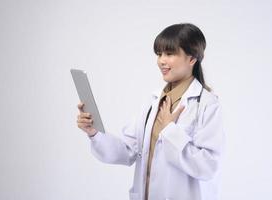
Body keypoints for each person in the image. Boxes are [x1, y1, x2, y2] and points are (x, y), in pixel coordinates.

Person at [76, 23, 225, 200]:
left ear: (192, 59)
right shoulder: (154, 101)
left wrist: (170, 130)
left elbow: (208, 167)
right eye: (159, 54)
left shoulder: (207, 104)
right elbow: (127, 150)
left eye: (169, 54)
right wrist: (94, 133)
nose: (161, 60)